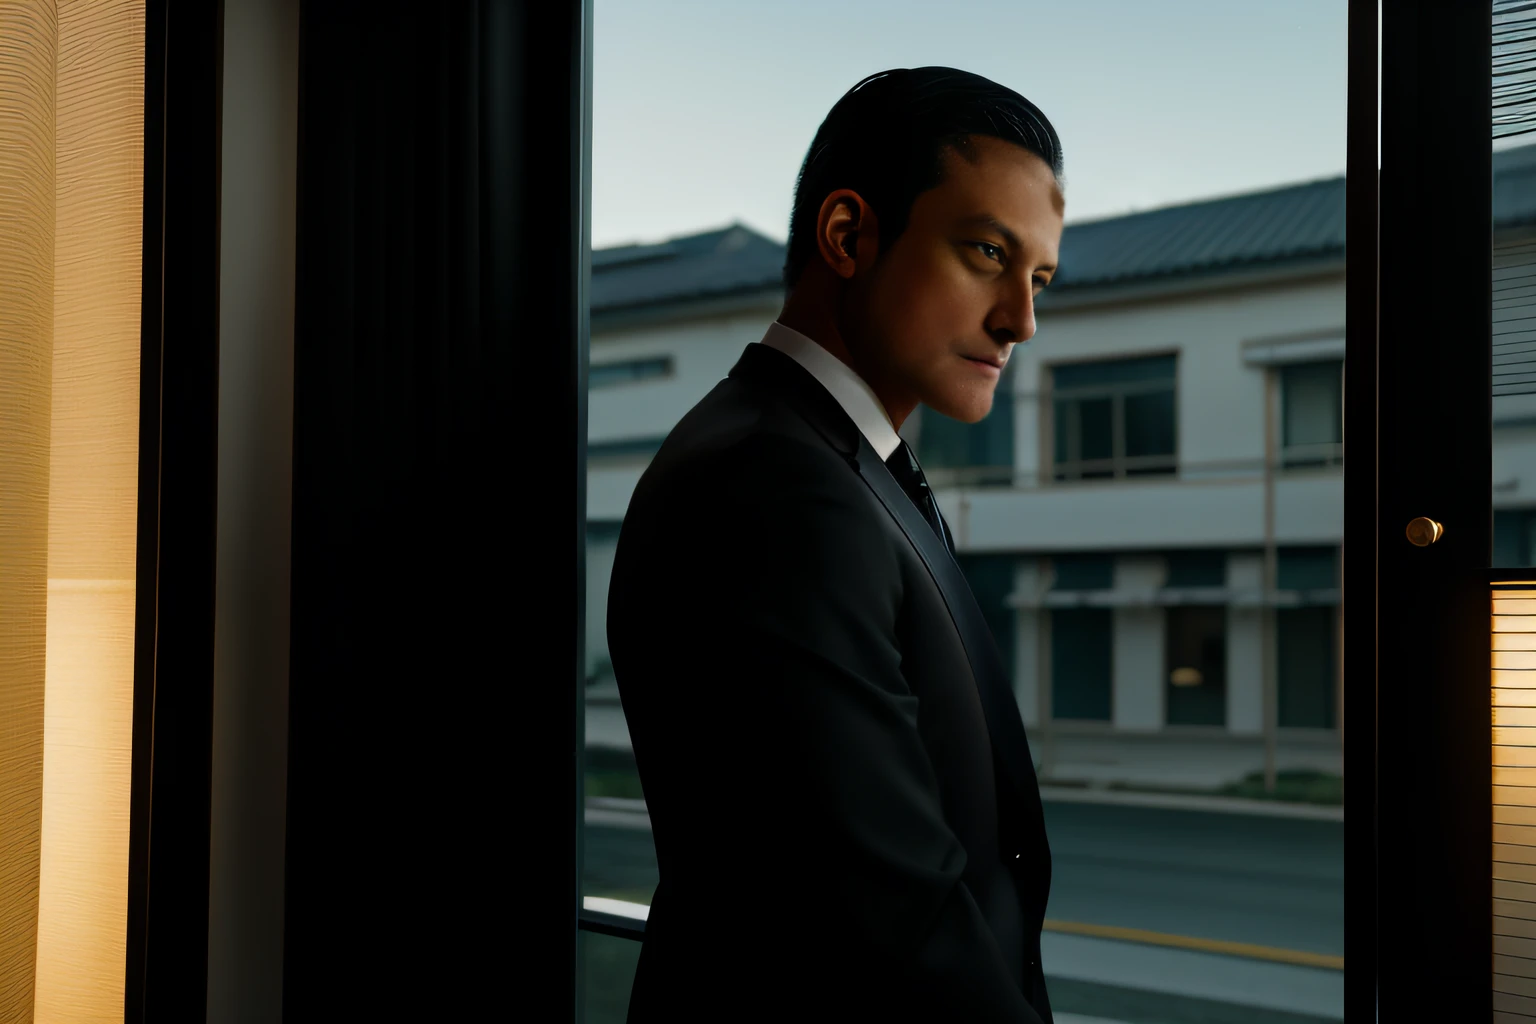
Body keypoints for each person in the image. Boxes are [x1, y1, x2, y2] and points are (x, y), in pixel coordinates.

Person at [606, 66, 1065, 1023]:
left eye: (1040, 278)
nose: (1021, 319)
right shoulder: (776, 487)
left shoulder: (824, 460)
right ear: (849, 236)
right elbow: (891, 929)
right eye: (987, 252)